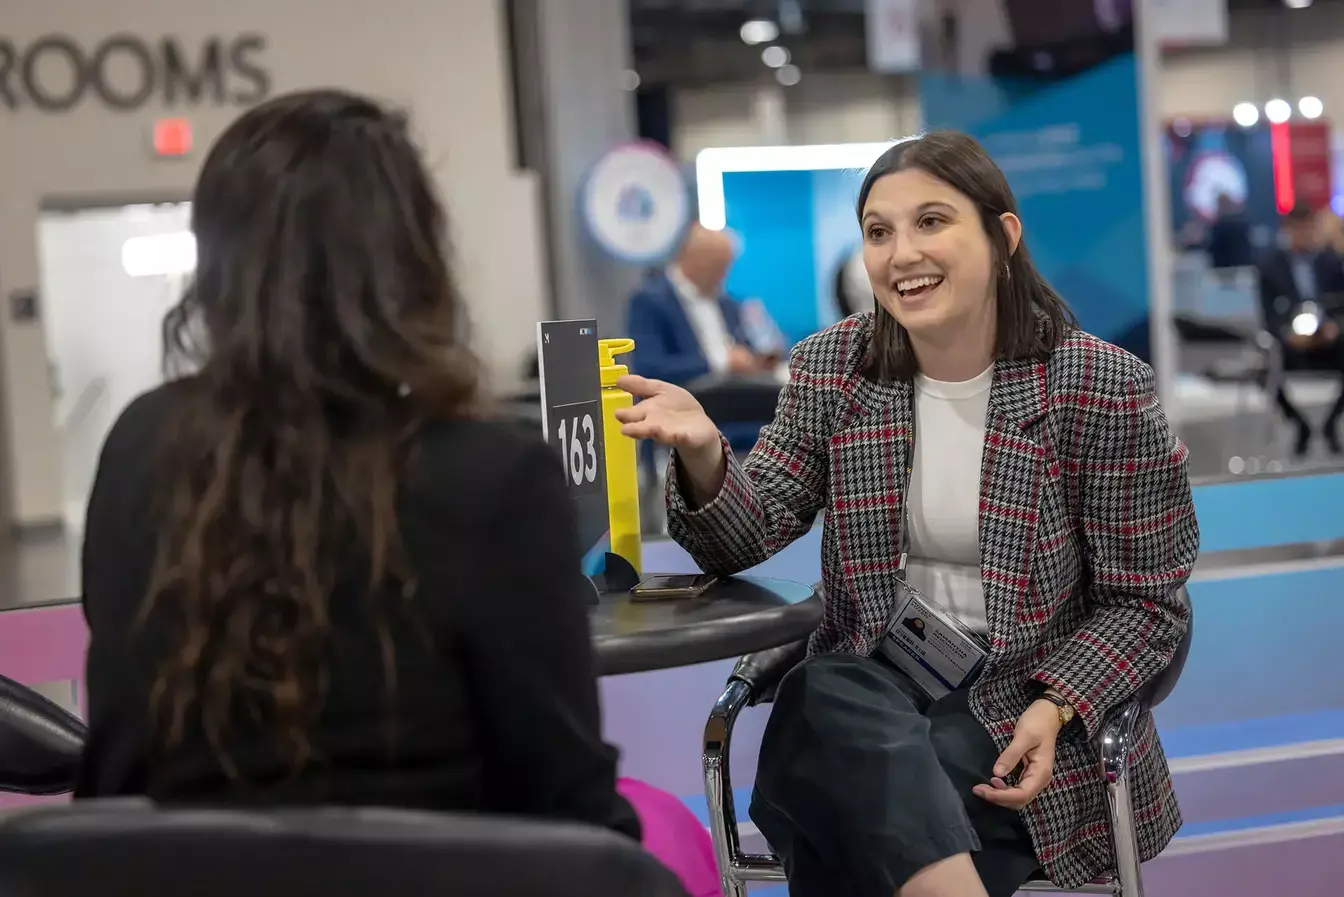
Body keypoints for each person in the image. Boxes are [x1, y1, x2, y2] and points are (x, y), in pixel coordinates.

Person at [616, 130, 1198, 897]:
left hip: (1020, 701)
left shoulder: (1095, 384)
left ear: (1003, 236)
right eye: (879, 232)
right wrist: (701, 451)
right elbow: (751, 531)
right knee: (833, 693)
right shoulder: (835, 366)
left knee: (839, 777)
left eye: (932, 221)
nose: (901, 254)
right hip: (876, 680)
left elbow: (1148, 601)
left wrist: (1059, 705)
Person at [77, 90, 638, 841]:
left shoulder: (142, 446)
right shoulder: (495, 476)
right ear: (412, 259)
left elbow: (115, 772)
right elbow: (570, 808)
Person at [626, 224, 773, 385]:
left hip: (735, 396)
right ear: (693, 259)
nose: (723, 275)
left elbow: (745, 348)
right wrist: (720, 363)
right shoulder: (650, 301)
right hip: (683, 399)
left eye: (726, 267)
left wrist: (755, 360)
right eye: (718, 266)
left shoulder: (727, 303)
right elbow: (650, 369)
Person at [1256, 201, 1344, 456]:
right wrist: (1287, 334)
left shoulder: (1331, 262)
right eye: (1300, 229)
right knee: (1264, 367)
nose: (1306, 235)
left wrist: (1333, 327)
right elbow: (1268, 315)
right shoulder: (1270, 267)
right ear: (1289, 229)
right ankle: (1301, 425)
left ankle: (1330, 425)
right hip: (1290, 343)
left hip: (1328, 340)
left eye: (1310, 229)